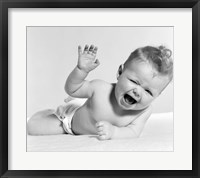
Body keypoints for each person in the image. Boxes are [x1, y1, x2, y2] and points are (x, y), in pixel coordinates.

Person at [28, 44, 173, 140]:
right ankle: (50, 112)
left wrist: (114, 132)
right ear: (120, 72)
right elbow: (72, 89)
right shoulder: (100, 88)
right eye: (135, 82)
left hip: (87, 117)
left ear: (157, 96)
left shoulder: (144, 111)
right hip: (71, 122)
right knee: (32, 127)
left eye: (148, 91)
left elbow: (134, 132)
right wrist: (81, 71)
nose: (137, 92)